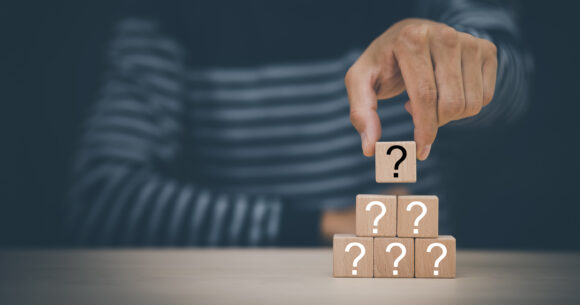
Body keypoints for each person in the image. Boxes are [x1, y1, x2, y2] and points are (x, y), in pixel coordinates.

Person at [66, 0, 531, 246]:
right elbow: (103, 199)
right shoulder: (169, 12)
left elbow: (513, 81)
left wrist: (466, 65)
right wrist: (325, 226)